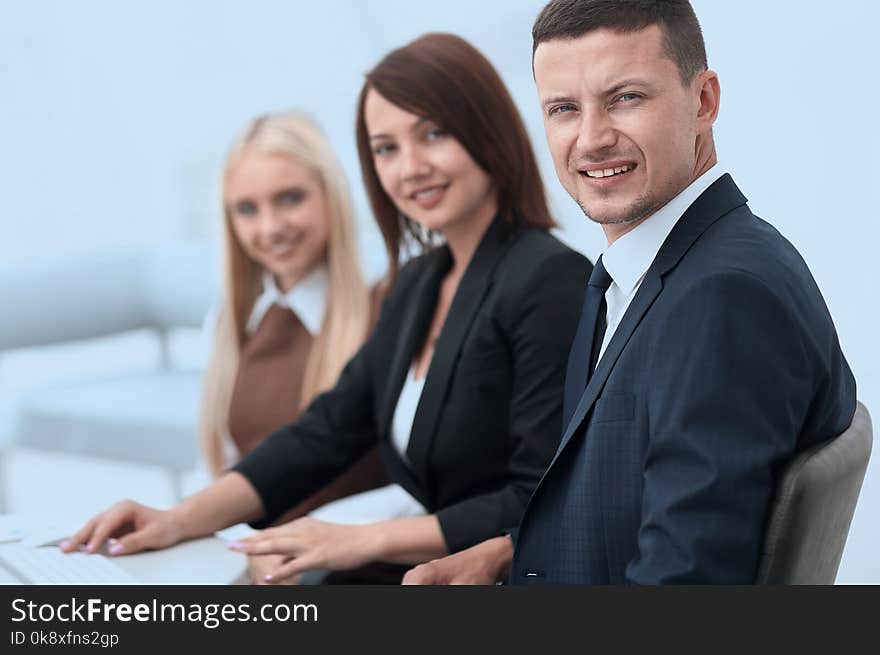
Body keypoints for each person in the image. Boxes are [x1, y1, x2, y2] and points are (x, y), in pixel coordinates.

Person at [62, 33, 591, 584]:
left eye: (433, 134)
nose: (410, 167)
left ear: (489, 131)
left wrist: (358, 540)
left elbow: (540, 498)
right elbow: (328, 429)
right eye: (386, 148)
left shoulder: (549, 279)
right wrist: (176, 519)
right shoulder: (418, 282)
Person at [404, 0, 856, 585]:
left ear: (704, 102)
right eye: (564, 109)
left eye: (626, 98)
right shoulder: (654, 272)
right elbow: (625, 502)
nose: (591, 140)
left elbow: (686, 582)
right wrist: (510, 553)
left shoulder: (722, 297)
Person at [199, 112, 390, 582]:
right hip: (261, 568)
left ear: (332, 195)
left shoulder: (386, 308)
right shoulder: (230, 326)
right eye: (247, 209)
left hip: (358, 572)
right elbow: (224, 471)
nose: (270, 228)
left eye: (290, 199)